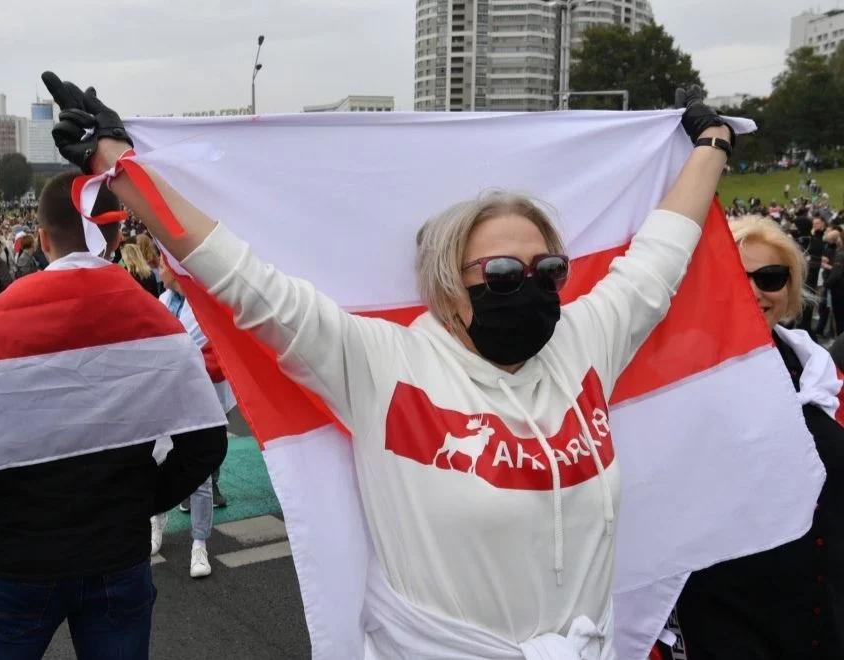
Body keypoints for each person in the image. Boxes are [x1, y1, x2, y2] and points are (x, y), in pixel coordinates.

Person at [43, 72, 733, 656]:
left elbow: (661, 255)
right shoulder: (378, 363)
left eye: (547, 269)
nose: (527, 286)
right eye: (498, 271)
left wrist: (710, 146)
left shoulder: (586, 343)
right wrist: (118, 165)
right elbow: (241, 276)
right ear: (445, 282)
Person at [0, 173, 228, 659]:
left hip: (18, 557)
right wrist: (138, 500)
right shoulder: (156, 322)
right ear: (116, 235)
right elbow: (206, 440)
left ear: (42, 237)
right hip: (117, 553)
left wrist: (3, 521)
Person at [674, 216, 844, 658]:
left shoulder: (820, 372)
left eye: (770, 277)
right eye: (734, 275)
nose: (754, 290)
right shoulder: (677, 383)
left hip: (823, 608)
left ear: (789, 288)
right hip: (730, 615)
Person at [150, 258, 238, 578]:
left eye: (163, 264)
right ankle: (156, 520)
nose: (159, 270)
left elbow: (190, 349)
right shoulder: (160, 302)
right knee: (158, 462)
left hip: (199, 399)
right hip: (165, 398)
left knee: (198, 474)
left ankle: (199, 544)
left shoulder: (205, 308)